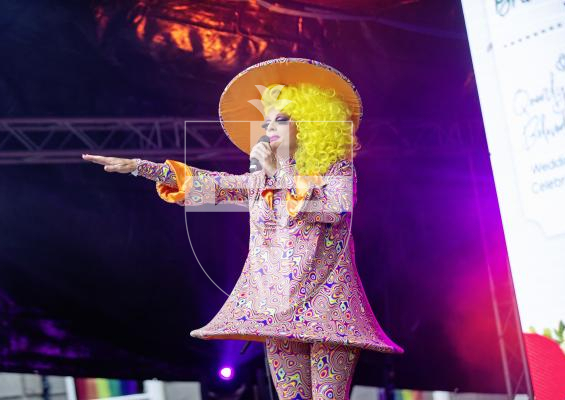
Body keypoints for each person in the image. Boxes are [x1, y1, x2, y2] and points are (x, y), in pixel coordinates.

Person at [83, 57, 404, 400]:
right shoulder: (261, 179)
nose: (270, 129)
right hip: (279, 306)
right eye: (267, 122)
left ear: (309, 123)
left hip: (329, 304)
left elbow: (334, 209)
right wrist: (141, 168)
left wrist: (277, 175)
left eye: (281, 119)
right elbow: (212, 186)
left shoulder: (336, 168)